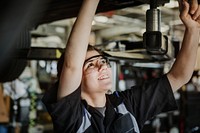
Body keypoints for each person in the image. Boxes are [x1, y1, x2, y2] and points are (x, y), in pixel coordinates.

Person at [42, 0, 200, 132]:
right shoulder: (72, 117)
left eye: (103, 61)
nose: (102, 66)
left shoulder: (127, 104)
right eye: (90, 65)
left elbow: (179, 76)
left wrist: (193, 29)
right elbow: (71, 65)